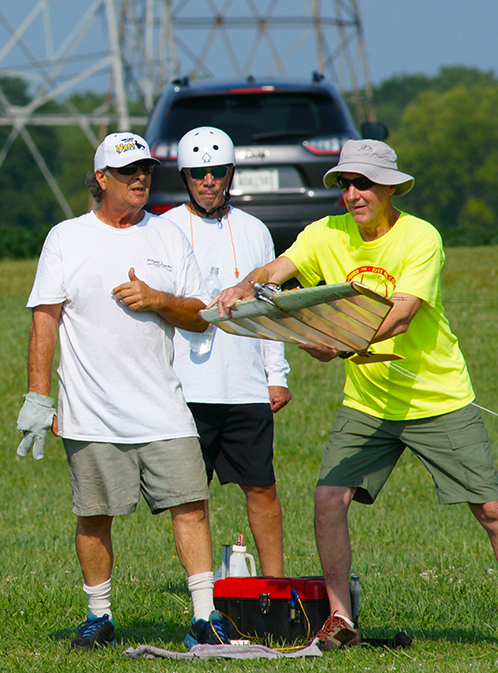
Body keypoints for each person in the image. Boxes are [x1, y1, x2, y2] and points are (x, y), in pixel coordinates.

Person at [213, 139, 498, 654]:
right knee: (328, 499)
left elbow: (402, 313)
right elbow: (279, 270)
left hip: (438, 397)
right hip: (369, 402)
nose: (353, 194)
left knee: (492, 508)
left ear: (389, 188)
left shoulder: (420, 237)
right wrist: (247, 287)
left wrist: (338, 345)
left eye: (364, 184)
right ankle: (339, 619)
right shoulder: (325, 233)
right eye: (345, 184)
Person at [15, 132, 230, 650]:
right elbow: (45, 321)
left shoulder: (168, 235)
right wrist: (38, 399)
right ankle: (99, 617)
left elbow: (201, 318)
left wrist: (158, 299)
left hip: (162, 406)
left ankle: (205, 617)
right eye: (128, 171)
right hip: (91, 411)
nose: (140, 179)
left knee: (192, 505)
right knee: (94, 514)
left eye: (147, 170)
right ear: (101, 179)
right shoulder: (66, 238)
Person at [162, 126, 291, 577]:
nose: (208, 181)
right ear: (185, 177)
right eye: (198, 173)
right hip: (185, 388)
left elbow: (268, 309)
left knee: (262, 489)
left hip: (245, 386)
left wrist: (277, 373)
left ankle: (273, 585)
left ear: (231, 174)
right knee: (190, 499)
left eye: (217, 172)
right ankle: (203, 597)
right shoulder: (165, 230)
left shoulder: (254, 230)